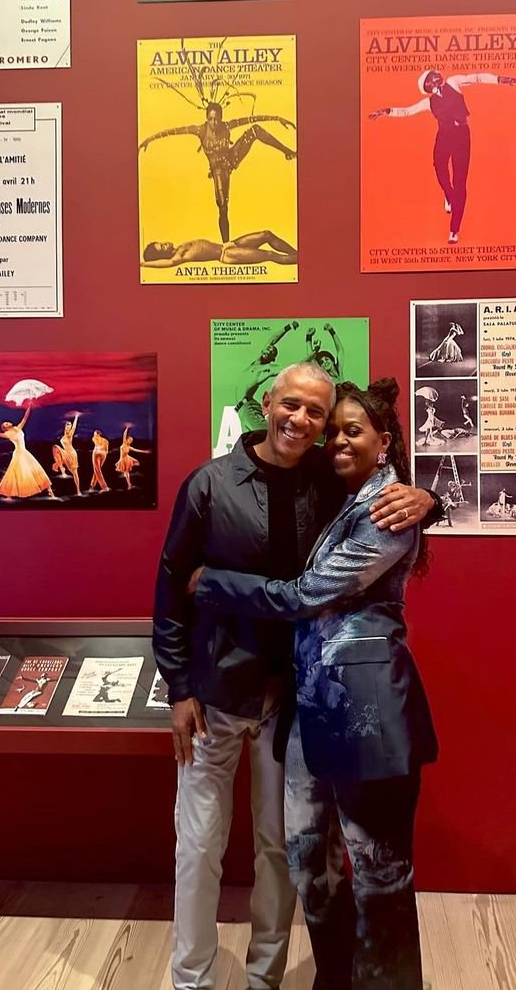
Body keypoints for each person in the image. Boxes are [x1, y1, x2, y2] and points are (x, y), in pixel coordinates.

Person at [152, 361, 439, 990]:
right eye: (295, 407)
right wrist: (177, 686)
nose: (310, 425)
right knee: (210, 847)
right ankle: (193, 981)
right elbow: (171, 587)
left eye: (321, 415)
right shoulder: (211, 483)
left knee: (298, 851)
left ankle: (267, 977)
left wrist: (428, 499)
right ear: (266, 401)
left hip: (302, 702)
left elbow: (327, 569)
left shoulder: (329, 484)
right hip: (218, 693)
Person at [370, 69, 516, 243]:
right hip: (444, 136)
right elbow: (407, 111)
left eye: (435, 75)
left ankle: (454, 229)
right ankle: (448, 195)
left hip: (462, 135)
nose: (435, 77)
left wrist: (500, 79)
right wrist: (386, 111)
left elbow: (476, 78)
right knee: (439, 166)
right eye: (430, 78)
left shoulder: (453, 82)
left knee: (460, 182)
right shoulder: (429, 102)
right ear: (427, 86)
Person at [139, 103, 296, 242]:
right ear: (207, 118)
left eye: (217, 119)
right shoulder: (200, 130)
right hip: (218, 169)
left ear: (221, 118)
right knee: (222, 206)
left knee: (254, 130)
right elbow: (174, 131)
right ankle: (226, 245)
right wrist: (150, 139)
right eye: (211, 119)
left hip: (232, 157)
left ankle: (288, 152)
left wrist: (277, 118)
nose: (214, 123)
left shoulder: (226, 126)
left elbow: (252, 118)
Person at [0, 404, 56, 501]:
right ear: (5, 428)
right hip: (18, 454)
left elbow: (25, 417)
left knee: (37, 470)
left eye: (7, 422)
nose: (7, 423)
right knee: (16, 473)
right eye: (5, 424)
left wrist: (29, 406)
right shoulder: (7, 434)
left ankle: (49, 490)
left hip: (25, 452)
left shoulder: (18, 428)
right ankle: (9, 494)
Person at [142, 230, 297, 269]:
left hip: (228, 245)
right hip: (227, 254)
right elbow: (168, 263)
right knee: (270, 255)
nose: (165, 243)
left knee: (266, 234)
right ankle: (304, 260)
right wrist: (142, 264)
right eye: (162, 246)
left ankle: (297, 254)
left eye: (161, 242)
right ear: (161, 254)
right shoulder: (178, 256)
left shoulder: (181, 247)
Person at [52, 412, 82, 497]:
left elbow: (74, 427)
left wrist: (76, 417)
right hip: (65, 453)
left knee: (75, 473)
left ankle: (78, 491)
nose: (68, 428)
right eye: (67, 426)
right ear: (65, 427)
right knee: (55, 448)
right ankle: (61, 468)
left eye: (69, 427)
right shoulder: (63, 437)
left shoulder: (70, 435)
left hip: (72, 454)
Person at [115, 425, 150, 491]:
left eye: (132, 440)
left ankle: (129, 475)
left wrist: (145, 452)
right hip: (123, 460)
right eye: (130, 440)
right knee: (126, 472)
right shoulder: (124, 443)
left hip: (127, 458)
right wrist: (127, 428)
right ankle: (129, 485)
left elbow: (137, 450)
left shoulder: (129, 447)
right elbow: (124, 435)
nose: (131, 441)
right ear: (127, 440)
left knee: (137, 462)